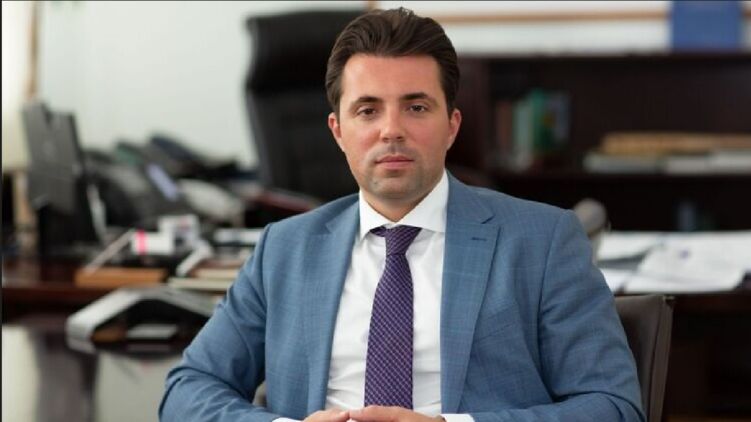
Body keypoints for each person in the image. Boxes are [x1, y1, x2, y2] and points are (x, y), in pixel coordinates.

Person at [160, 8, 644, 422]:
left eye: (415, 107)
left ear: (451, 125)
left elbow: (612, 406)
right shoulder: (284, 249)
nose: (391, 130)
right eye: (367, 110)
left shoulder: (544, 240)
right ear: (338, 130)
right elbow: (188, 388)